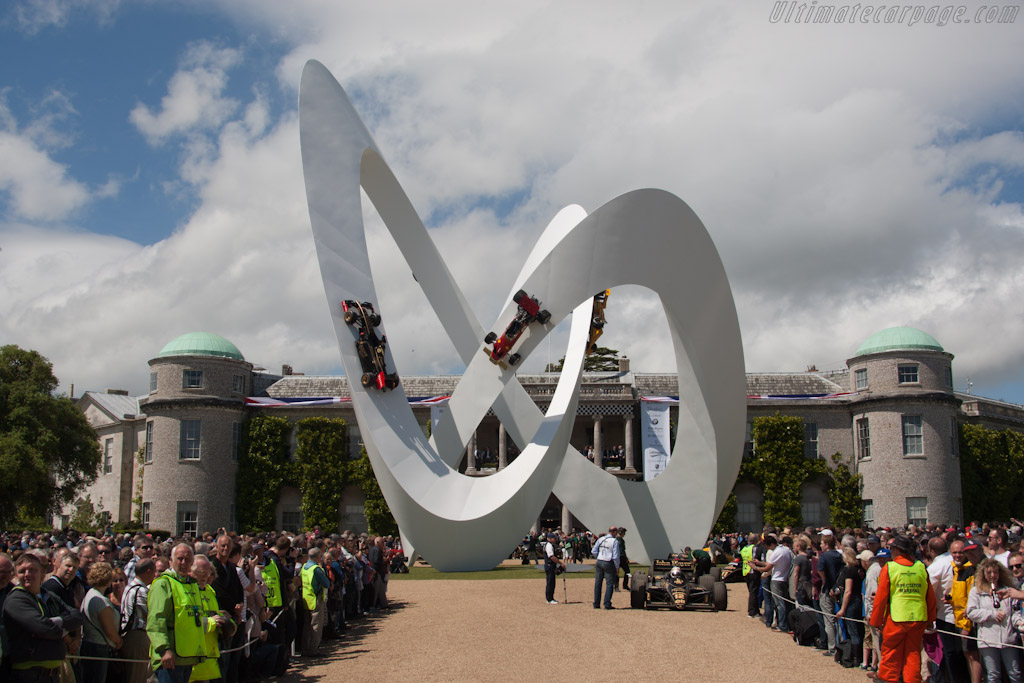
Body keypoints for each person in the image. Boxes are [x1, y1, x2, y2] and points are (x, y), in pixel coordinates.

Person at [2, 552, 84, 683]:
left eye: (32, 570)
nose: (27, 574)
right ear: (16, 575)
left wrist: (55, 622)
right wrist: (62, 628)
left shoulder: (48, 595)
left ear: (42, 571)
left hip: (53, 674)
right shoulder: (16, 600)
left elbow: (77, 617)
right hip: (29, 674)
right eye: (22, 571)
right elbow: (43, 628)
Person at [870, 534, 937, 683]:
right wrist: (931, 619)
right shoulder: (921, 567)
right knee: (913, 655)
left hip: (897, 617)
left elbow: (881, 598)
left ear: (897, 550)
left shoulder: (890, 567)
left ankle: (888, 680)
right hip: (918, 617)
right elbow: (930, 596)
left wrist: (876, 620)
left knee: (890, 654)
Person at [147, 543, 211, 683]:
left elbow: (194, 619)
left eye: (187, 559)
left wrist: (196, 653)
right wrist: (164, 649)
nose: (183, 563)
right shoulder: (162, 584)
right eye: (179, 559)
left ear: (192, 562)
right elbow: (156, 620)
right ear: (171, 560)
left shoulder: (192, 584)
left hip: (187, 657)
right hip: (170, 658)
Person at [966, 558, 1022, 683]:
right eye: (989, 572)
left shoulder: (1008, 590)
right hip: (987, 640)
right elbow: (971, 612)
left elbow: (1014, 611)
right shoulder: (977, 591)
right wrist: (992, 614)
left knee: (1015, 673)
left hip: (1008, 639)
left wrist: (1018, 621)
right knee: (993, 675)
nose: (992, 575)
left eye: (995, 572)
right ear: (983, 574)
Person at [80, 561, 123, 683]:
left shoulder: (89, 594)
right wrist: (118, 641)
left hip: (89, 645)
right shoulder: (101, 601)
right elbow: (109, 630)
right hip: (98, 648)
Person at [120, 558, 156, 683]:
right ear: (148, 571)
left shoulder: (129, 587)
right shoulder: (140, 591)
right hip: (138, 636)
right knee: (137, 676)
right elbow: (151, 614)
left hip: (133, 636)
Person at [749, 534, 791, 632]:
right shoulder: (785, 549)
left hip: (777, 579)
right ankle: (783, 624)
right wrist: (759, 563)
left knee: (779, 604)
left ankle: (782, 625)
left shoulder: (776, 552)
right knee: (781, 603)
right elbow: (772, 564)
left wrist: (755, 567)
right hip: (784, 578)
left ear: (771, 544)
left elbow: (767, 568)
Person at [818, 530, 844, 655]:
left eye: (822, 543)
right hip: (839, 589)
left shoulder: (824, 556)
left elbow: (820, 570)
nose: (821, 546)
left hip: (828, 589)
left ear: (827, 544)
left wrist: (824, 580)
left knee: (829, 620)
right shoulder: (840, 555)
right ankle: (841, 644)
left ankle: (832, 647)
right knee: (839, 619)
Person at [300, 547, 330, 656]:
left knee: (307, 626)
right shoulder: (316, 569)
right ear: (317, 557)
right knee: (316, 625)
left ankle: (305, 648)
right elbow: (326, 583)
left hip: (306, 598)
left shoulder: (304, 567)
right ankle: (313, 649)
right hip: (315, 598)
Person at [592, 527, 620, 610]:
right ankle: (607, 604)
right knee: (609, 584)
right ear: (614, 532)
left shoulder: (601, 539)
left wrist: (599, 557)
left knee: (598, 583)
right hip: (608, 562)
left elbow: (593, 551)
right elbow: (616, 556)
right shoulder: (614, 541)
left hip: (599, 561)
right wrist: (617, 567)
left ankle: (596, 603)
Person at [543, 533, 565, 605]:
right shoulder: (549, 546)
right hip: (550, 565)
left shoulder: (549, 545)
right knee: (550, 582)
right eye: (554, 538)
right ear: (549, 538)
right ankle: (549, 599)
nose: (555, 539)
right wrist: (560, 563)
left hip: (550, 565)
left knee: (552, 582)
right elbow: (551, 557)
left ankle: (550, 597)